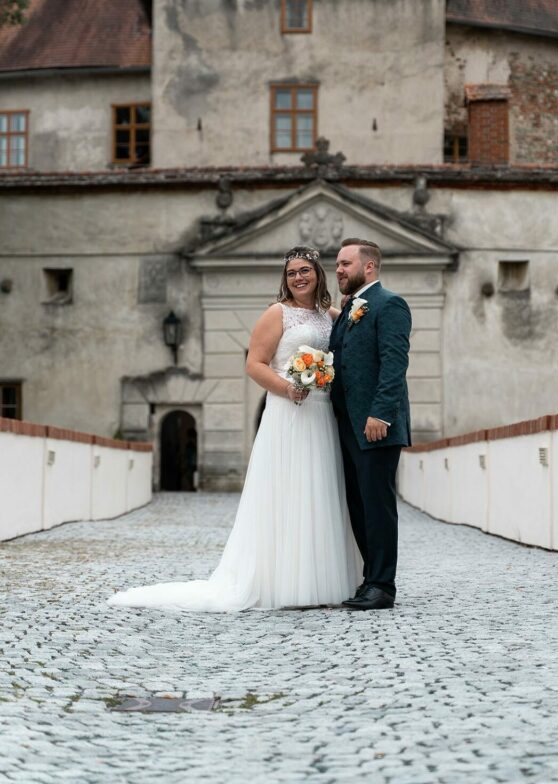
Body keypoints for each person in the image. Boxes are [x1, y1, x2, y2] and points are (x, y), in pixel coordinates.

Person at [107, 248, 361, 612]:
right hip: (288, 411)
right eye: (291, 273)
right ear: (284, 278)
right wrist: (288, 387)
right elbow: (254, 364)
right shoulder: (277, 314)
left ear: (318, 274)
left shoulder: (330, 315)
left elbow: (349, 344)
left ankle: (320, 580)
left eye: (305, 270)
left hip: (321, 414)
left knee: (319, 489)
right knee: (287, 491)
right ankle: (283, 582)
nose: (299, 278)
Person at [330, 238, 412, 611]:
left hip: (376, 425)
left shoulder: (389, 304)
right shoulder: (351, 309)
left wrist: (381, 414)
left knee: (377, 506)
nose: (339, 269)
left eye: (346, 263)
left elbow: (394, 364)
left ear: (369, 267)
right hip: (348, 425)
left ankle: (382, 585)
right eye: (338, 264)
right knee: (359, 505)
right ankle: (370, 579)